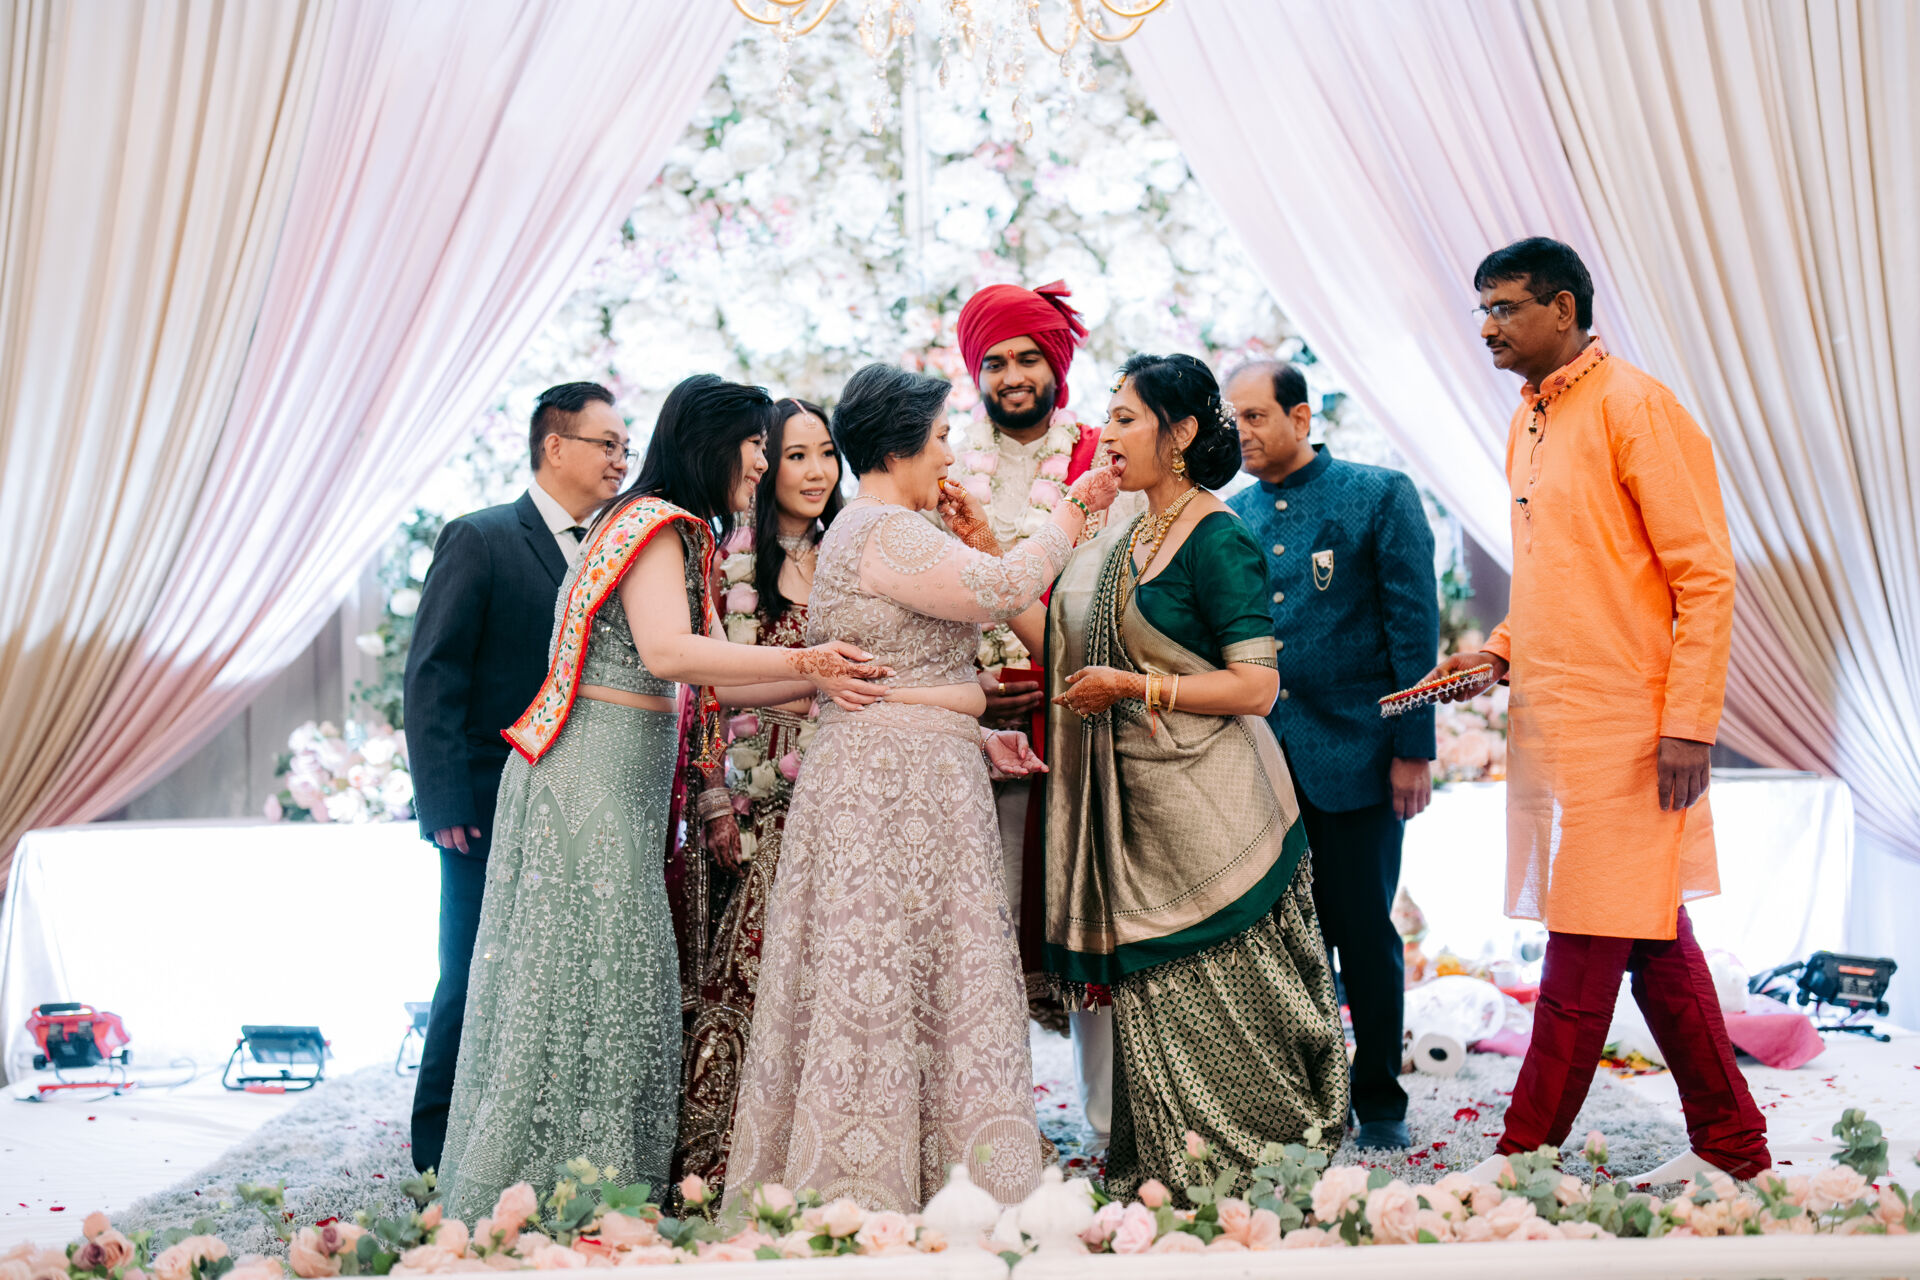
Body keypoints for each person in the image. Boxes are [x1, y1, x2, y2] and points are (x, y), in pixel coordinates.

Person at [434, 375, 890, 1217]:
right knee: (596, 984)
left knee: (606, 980)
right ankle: (559, 1194)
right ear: (711, 445)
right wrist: (810, 661)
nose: (762, 464)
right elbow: (670, 654)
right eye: (755, 445)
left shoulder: (658, 526)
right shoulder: (655, 527)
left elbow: (722, 680)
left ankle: (584, 1189)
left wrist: (833, 686)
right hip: (591, 782)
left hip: (612, 780)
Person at [727, 362, 1118, 1211]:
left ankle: (942, 1171)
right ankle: (866, 1185)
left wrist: (973, 729)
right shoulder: (881, 529)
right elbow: (1002, 589)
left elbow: (908, 671)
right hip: (890, 788)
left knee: (925, 974)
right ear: (900, 445)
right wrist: (1073, 508)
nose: (949, 454)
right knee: (886, 972)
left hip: (917, 776)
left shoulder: (884, 528)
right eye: (941, 437)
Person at [1427, 237, 1768, 1183]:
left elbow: (1705, 579)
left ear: (1565, 309)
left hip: (1633, 729)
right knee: (1652, 943)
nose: (1487, 328)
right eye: (1482, 310)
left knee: (1581, 944)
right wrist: (1497, 652)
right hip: (1559, 721)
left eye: (1505, 308)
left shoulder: (1637, 407)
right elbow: (1562, 576)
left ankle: (1519, 1158)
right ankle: (1734, 1151)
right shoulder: (1530, 419)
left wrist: (1689, 724)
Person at [1042, 353, 1348, 1201]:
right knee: (1160, 988)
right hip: (1143, 810)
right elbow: (1072, 649)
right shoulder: (1128, 536)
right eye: (1109, 417)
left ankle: (1260, 1166)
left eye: (1126, 418)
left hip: (1216, 807)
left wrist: (1135, 687)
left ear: (1178, 434)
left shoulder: (1218, 535)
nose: (1108, 434)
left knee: (1235, 996)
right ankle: (1172, 1168)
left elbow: (1256, 686)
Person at [403, 381, 632, 1174]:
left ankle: (531, 1145)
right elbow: (433, 674)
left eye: (625, 446)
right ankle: (435, 1154)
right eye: (607, 444)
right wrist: (443, 801)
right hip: (484, 803)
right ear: (554, 446)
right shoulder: (482, 537)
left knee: (556, 984)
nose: (621, 459)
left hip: (583, 800)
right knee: (473, 975)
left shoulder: (616, 548)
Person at [1224, 361, 1439, 1151]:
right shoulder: (1232, 516)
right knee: (1285, 941)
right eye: (1232, 420)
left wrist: (1413, 750)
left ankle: (1380, 1098)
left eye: (1255, 416)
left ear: (1301, 416)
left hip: (1359, 756)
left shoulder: (1378, 495)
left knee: (1362, 930)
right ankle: (1306, 1098)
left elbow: (1413, 630)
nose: (1241, 433)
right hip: (1261, 765)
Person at [950, 278, 1141, 1151]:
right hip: (974, 722)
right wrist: (973, 684)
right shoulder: (945, 465)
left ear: (1056, 364)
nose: (1013, 376)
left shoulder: (1105, 460)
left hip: (1086, 719)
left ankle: (1110, 1124)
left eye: (1028, 358)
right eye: (994, 362)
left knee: (1092, 915)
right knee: (980, 922)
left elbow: (1129, 594)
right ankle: (986, 1128)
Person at [675, 398, 844, 1197]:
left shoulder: (854, 552)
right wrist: (713, 793)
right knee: (749, 966)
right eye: (796, 455)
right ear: (765, 463)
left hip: (840, 782)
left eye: (827, 453)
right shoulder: (724, 560)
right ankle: (726, 1161)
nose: (816, 472)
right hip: (754, 792)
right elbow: (702, 684)